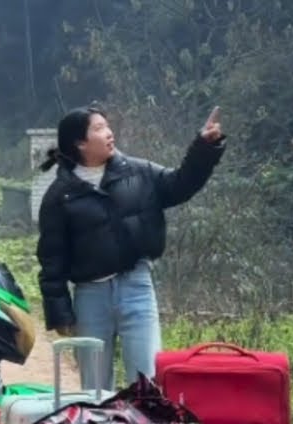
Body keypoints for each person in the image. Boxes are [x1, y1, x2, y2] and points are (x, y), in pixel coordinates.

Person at [35, 104, 226, 390]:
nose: (109, 133)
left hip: (137, 287)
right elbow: (52, 258)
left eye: (107, 126)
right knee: (94, 390)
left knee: (146, 382)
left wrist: (204, 148)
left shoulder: (139, 172)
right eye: (99, 128)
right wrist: (60, 312)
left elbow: (180, 184)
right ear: (80, 143)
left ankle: (142, 421)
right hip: (89, 297)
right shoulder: (59, 196)